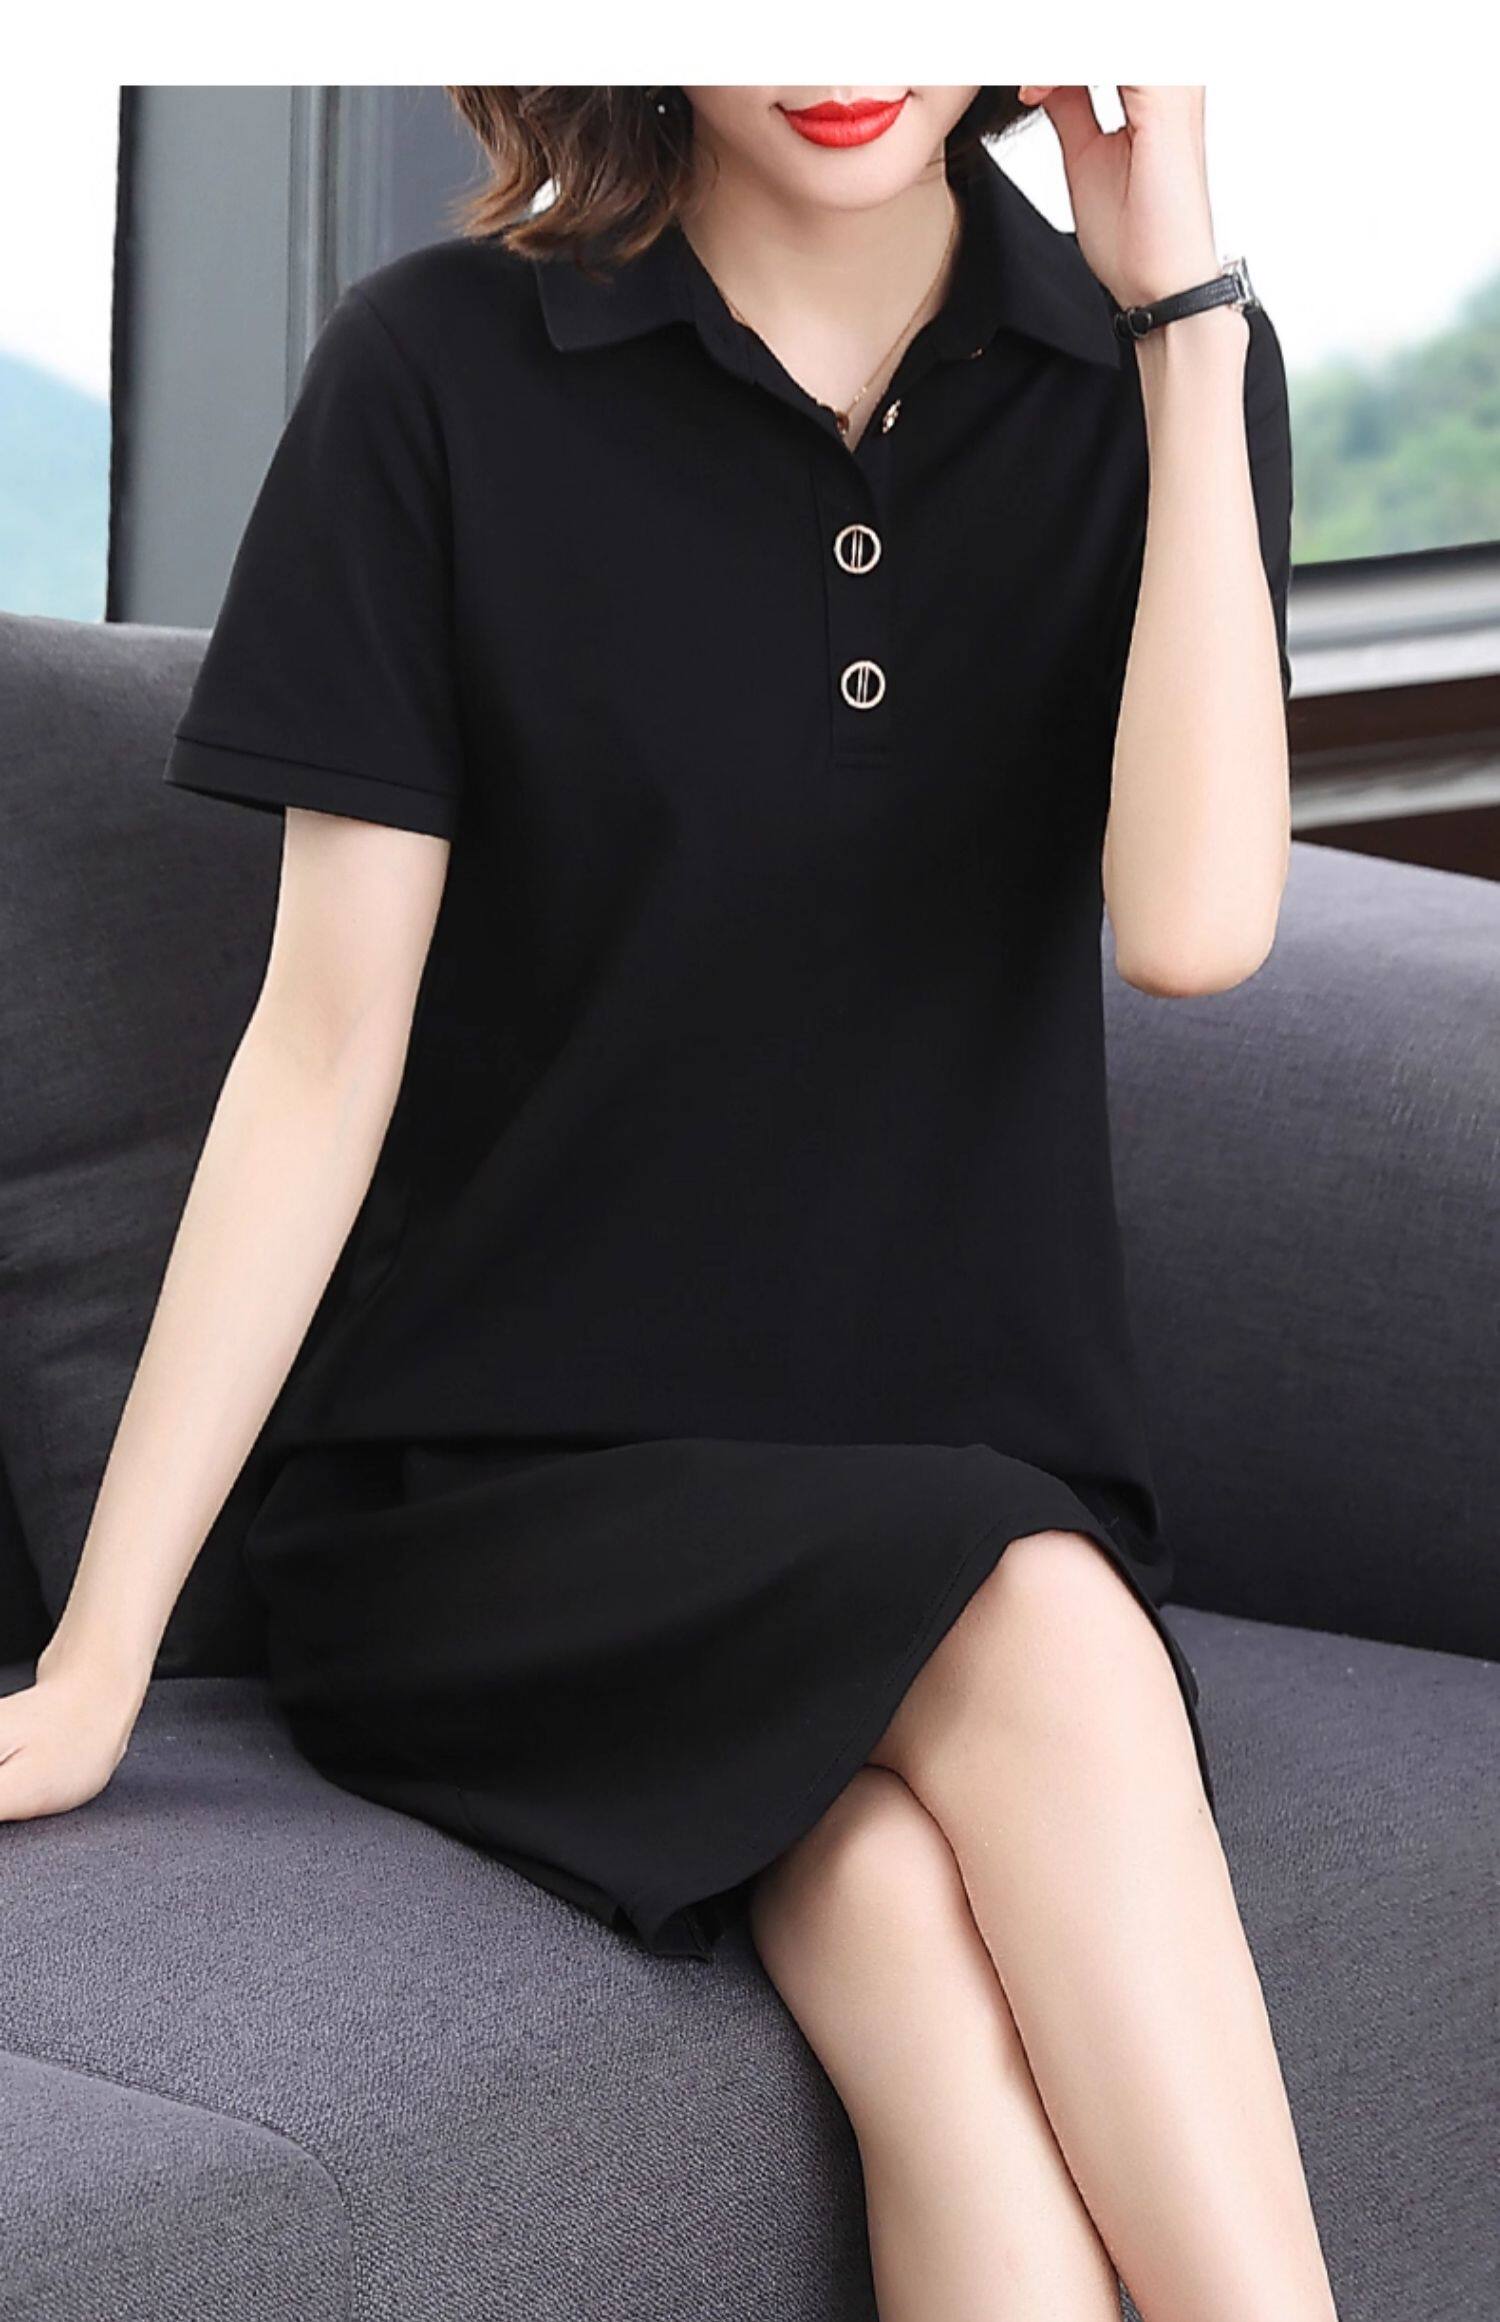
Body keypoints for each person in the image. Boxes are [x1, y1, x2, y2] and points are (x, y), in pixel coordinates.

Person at [1, 82, 1339, 2321]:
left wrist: (1183, 322)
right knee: (1036, 1619)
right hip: (510, 1492)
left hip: (955, 1452)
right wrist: (99, 1655)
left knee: (909, 1936)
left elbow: (1198, 925)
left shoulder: (1156, 368)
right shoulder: (437, 368)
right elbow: (318, 1057)